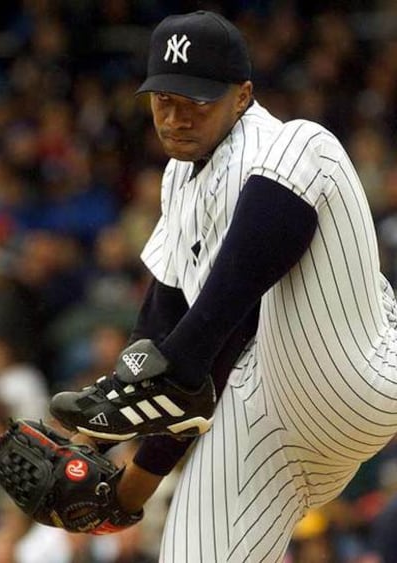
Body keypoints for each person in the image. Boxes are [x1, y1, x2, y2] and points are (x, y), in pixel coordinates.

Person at [49, 10, 397, 562]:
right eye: (164, 100)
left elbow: (220, 339)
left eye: (197, 101)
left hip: (355, 367)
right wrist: (99, 458)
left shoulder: (263, 147)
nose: (177, 117)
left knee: (307, 141)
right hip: (266, 414)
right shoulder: (176, 177)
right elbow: (160, 324)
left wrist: (155, 427)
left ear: (243, 96)